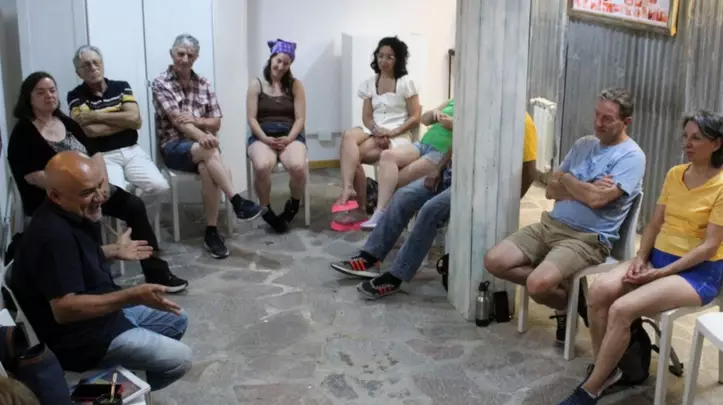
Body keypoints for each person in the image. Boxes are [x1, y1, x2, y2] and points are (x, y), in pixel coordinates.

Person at [558, 110, 723, 405]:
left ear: (717, 144)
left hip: (697, 272)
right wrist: (640, 258)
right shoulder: (675, 174)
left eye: (696, 138)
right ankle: (608, 369)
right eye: (685, 136)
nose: (687, 143)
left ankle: (590, 389)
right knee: (599, 292)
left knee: (622, 308)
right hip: (657, 259)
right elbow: (654, 224)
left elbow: (709, 247)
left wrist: (661, 273)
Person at [9, 151, 192, 392]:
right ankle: (93, 394)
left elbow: (71, 261)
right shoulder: (53, 236)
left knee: (178, 320)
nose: (100, 197)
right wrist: (131, 295)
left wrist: (112, 251)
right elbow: (64, 309)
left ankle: (127, 378)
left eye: (99, 186)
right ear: (55, 196)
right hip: (82, 339)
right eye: (87, 192)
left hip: (105, 316)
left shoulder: (69, 214)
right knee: (180, 360)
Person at [484, 88, 646, 344]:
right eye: (596, 114)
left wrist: (568, 180)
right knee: (494, 261)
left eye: (607, 118)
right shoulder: (584, 144)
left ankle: (565, 299)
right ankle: (569, 293)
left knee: (537, 285)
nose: (598, 123)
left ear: (626, 122)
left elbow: (597, 200)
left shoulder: (632, 156)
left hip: (587, 239)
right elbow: (550, 189)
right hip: (551, 225)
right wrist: (585, 187)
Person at [7, 71, 188, 292]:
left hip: (91, 189)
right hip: (57, 199)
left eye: (52, 90)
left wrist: (101, 184)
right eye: (41, 92)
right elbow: (33, 176)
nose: (49, 96)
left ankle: (157, 272)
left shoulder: (67, 123)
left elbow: (95, 154)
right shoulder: (23, 132)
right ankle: (98, 283)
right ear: (28, 98)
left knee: (134, 205)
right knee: (85, 218)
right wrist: (80, 190)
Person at [331, 113, 538, 299]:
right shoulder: (479, 107)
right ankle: (370, 258)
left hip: (476, 188)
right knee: (403, 196)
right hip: (450, 174)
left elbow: (529, 171)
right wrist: (438, 169)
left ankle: (395, 276)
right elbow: (459, 142)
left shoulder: (522, 122)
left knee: (430, 211)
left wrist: (508, 204)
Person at [152, 33, 263, 259]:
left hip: (204, 148)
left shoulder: (204, 83)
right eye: (180, 54)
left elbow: (216, 122)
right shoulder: (161, 83)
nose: (184, 59)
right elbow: (177, 121)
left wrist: (196, 121)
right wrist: (201, 135)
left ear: (196, 58)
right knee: (209, 150)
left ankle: (211, 232)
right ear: (172, 53)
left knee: (206, 167)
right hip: (174, 146)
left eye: (190, 55)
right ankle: (237, 201)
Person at [67, 44, 170, 227]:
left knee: (159, 187)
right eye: (86, 65)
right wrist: (122, 121)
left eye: (96, 62)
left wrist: (96, 116)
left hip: (132, 151)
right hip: (103, 156)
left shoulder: (122, 87)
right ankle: (125, 231)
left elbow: (135, 120)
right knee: (115, 196)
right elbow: (89, 131)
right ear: (78, 73)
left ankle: (139, 226)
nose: (93, 68)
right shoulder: (75, 95)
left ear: (102, 64)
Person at [333, 36, 421, 222]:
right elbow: (367, 117)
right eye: (380, 56)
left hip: (398, 133)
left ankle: (360, 206)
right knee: (348, 138)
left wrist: (392, 132)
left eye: (389, 57)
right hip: (375, 130)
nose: (384, 61)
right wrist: (376, 130)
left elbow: (415, 116)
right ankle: (349, 189)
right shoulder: (370, 83)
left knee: (352, 156)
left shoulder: (406, 82)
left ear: (398, 59)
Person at [361, 99, 455, 230]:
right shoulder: (452, 101)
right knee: (387, 156)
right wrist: (434, 113)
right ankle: (381, 212)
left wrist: (453, 124)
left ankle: (383, 215)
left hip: (440, 153)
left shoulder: (473, 109)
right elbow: (424, 120)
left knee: (395, 180)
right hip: (423, 144)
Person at [247, 39, 307, 233]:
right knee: (262, 166)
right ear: (272, 58)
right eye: (278, 61)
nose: (281, 67)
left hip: (290, 136)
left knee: (298, 167)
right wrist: (264, 138)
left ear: (290, 65)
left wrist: (289, 138)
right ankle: (266, 209)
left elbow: (300, 118)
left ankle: (294, 204)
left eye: (286, 63)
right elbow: (251, 118)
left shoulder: (295, 85)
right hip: (262, 136)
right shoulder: (256, 84)